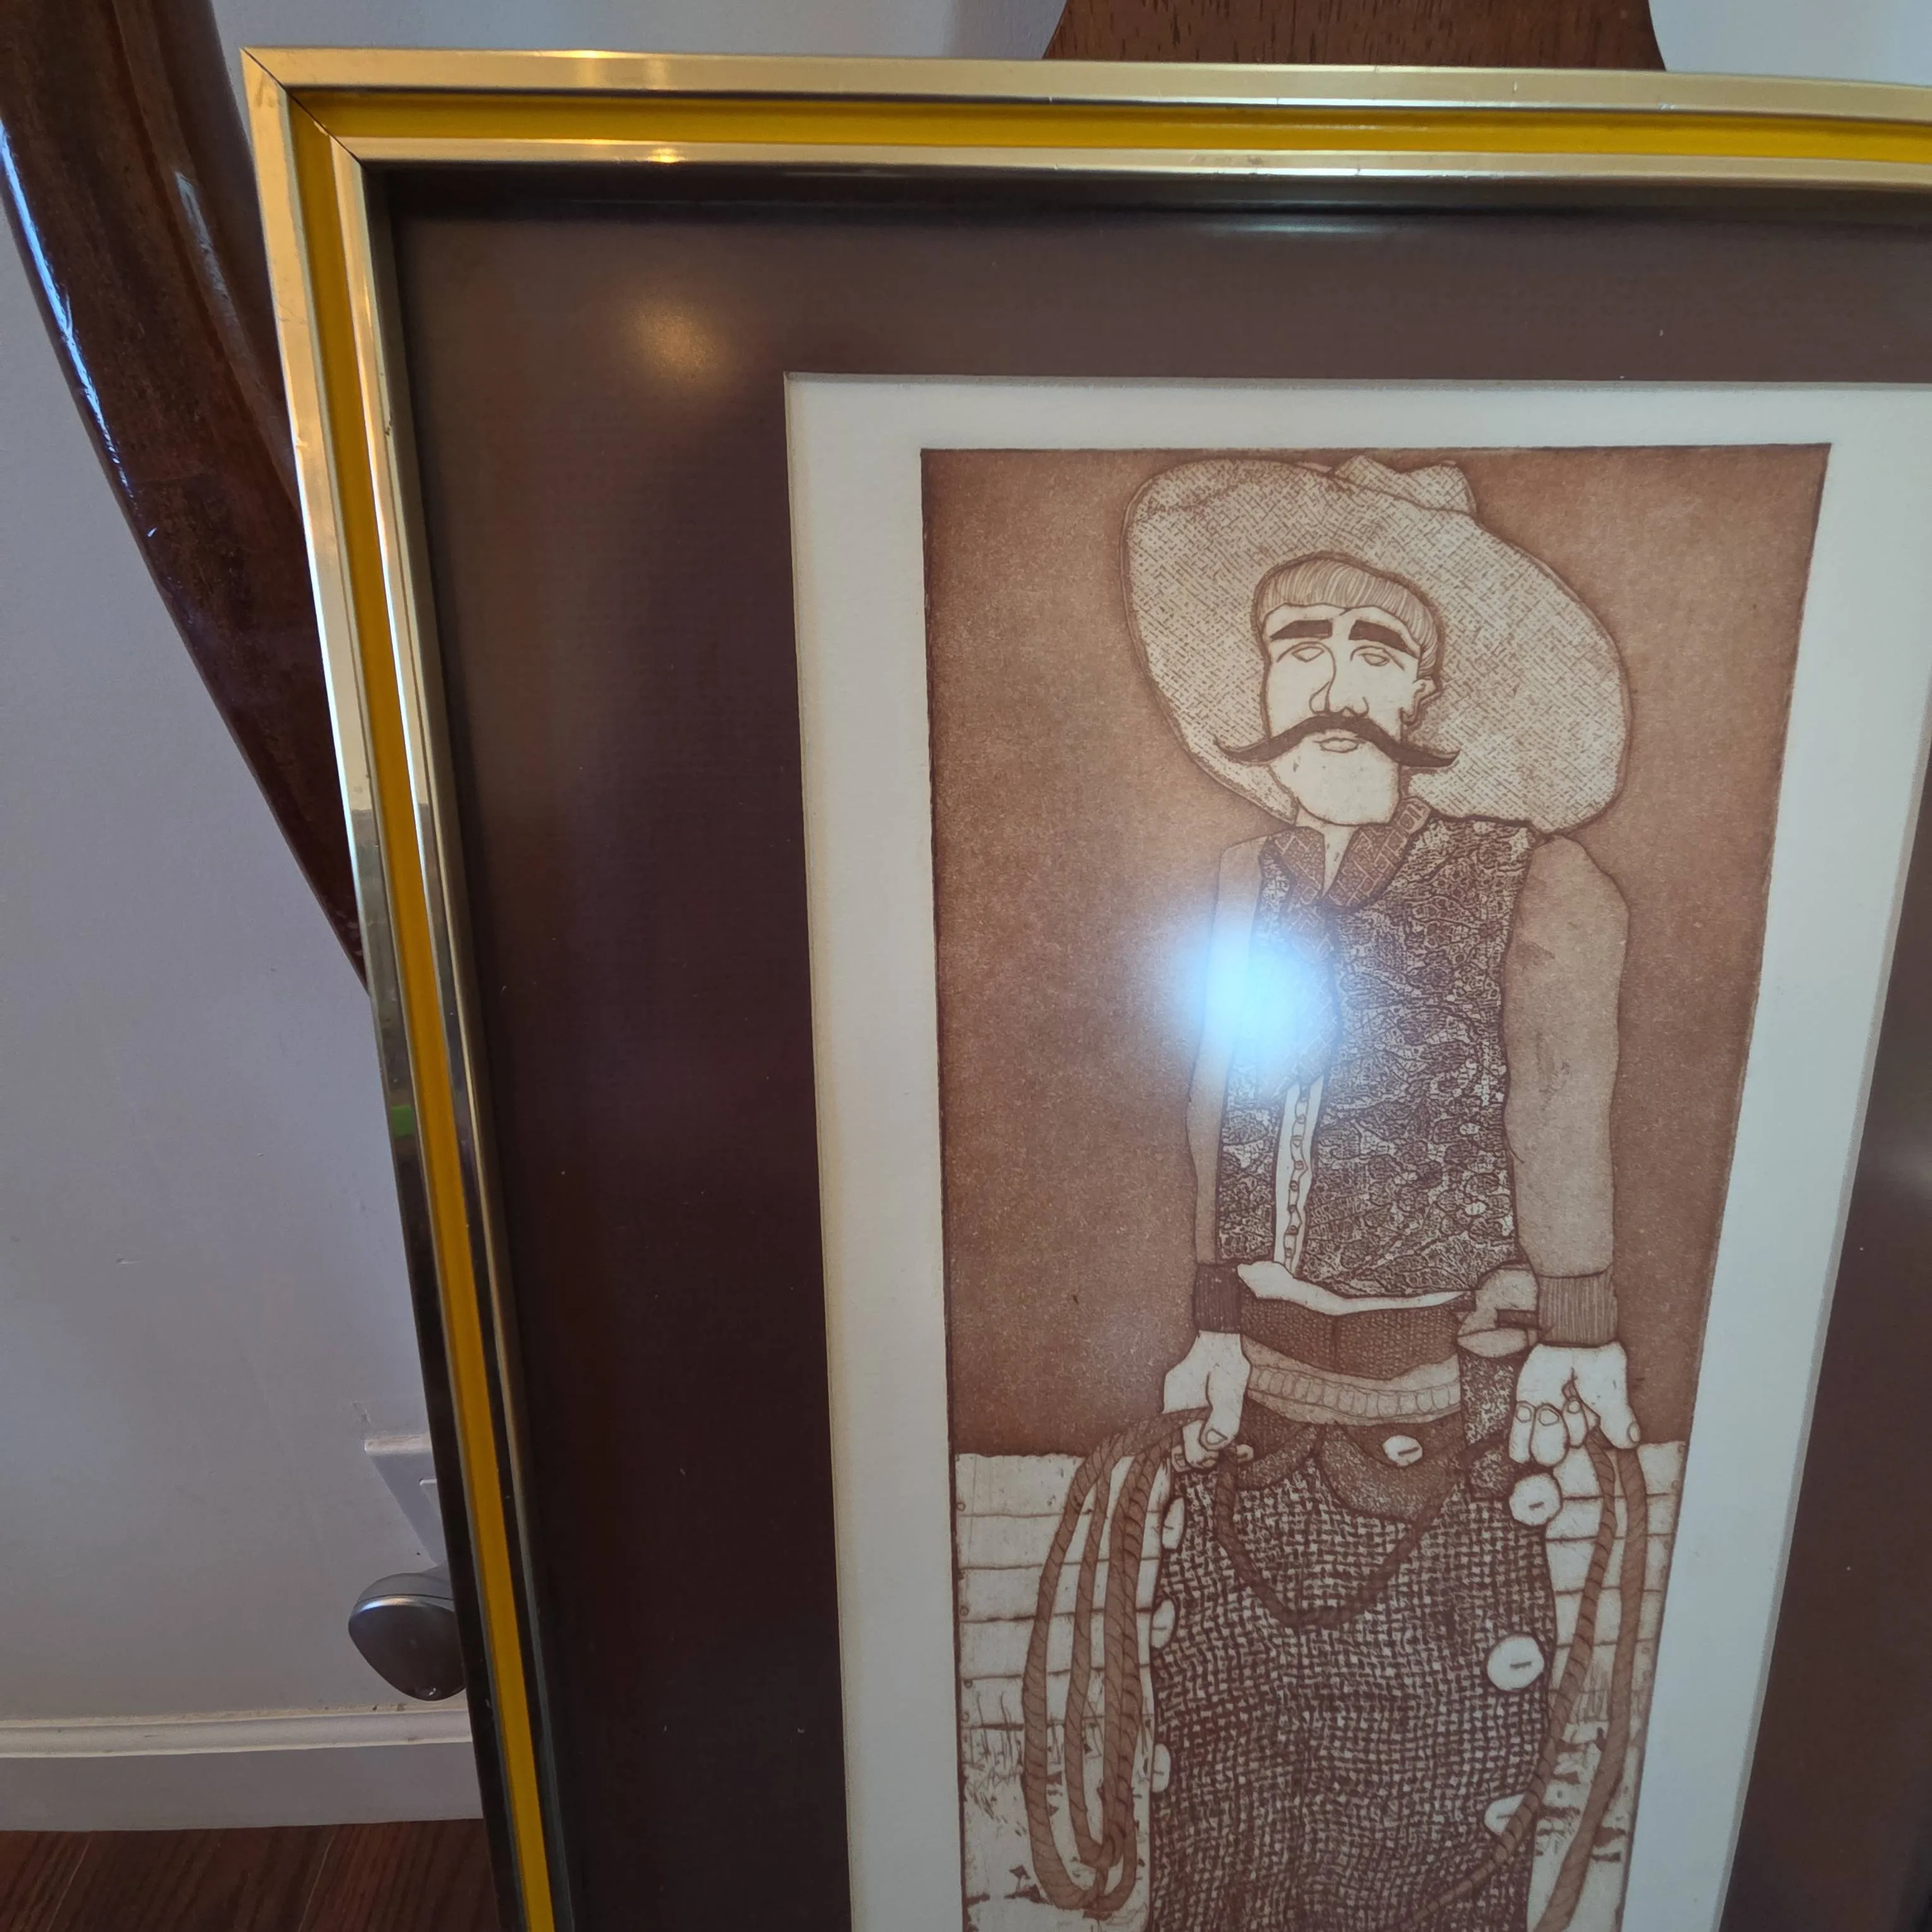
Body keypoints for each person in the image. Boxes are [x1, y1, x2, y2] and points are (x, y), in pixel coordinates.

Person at [1124, 456, 1641, 1932]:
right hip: (1260, 1416)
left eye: (1375, 645)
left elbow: (1559, 1105)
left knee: (1422, 1780)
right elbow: (1219, 1109)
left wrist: (1582, 1329)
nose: (1334, 679)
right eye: (1301, 644)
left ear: (1423, 690)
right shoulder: (1242, 885)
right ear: (1263, 681)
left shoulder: (1539, 882)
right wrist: (1211, 1320)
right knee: (1232, 1778)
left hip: (1445, 1418)